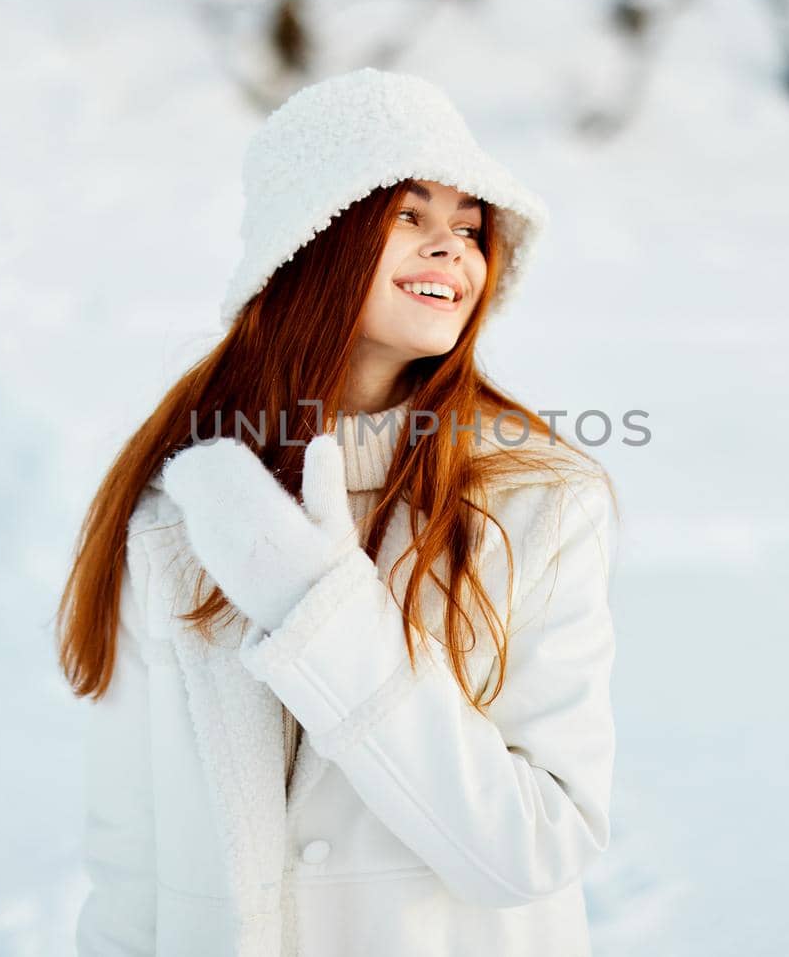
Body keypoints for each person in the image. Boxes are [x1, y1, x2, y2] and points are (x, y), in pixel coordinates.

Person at [56, 66, 620, 957]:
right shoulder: (184, 502)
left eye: (469, 229)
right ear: (310, 240)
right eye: (409, 216)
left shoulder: (537, 499)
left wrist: (320, 611)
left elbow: (538, 845)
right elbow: (131, 845)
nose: (452, 252)